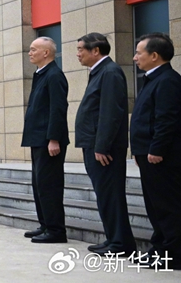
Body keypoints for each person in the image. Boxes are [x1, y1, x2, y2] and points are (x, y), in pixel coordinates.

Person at [75, 33, 136, 257]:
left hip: (103, 148)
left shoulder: (109, 72)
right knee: (104, 194)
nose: (78, 53)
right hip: (94, 144)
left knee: (111, 194)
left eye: (81, 49)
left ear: (96, 51)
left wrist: (102, 145)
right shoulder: (99, 72)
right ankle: (113, 239)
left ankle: (121, 244)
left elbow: (111, 113)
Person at [130, 32, 181, 269]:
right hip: (147, 153)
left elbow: (166, 119)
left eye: (139, 53)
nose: (134, 58)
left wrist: (156, 148)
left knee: (167, 206)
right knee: (154, 206)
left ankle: (173, 254)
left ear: (154, 55)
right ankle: (159, 248)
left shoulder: (168, 80)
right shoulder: (153, 79)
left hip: (161, 156)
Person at [21, 37, 69, 244]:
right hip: (38, 139)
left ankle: (56, 230)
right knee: (39, 184)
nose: (30, 53)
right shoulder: (41, 74)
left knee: (49, 185)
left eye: (33, 50)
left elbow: (57, 109)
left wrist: (54, 139)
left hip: (48, 140)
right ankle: (46, 224)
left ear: (46, 53)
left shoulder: (54, 75)